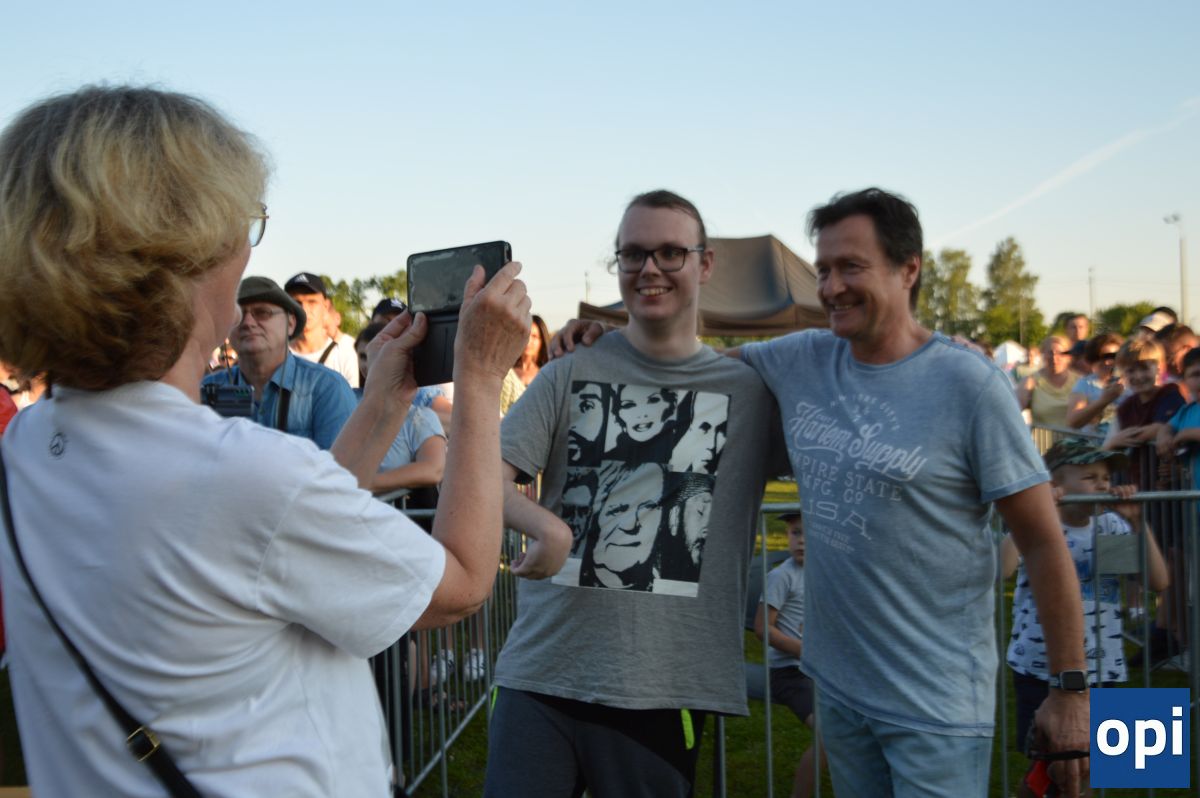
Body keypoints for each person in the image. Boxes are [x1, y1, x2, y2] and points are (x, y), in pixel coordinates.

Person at [0, 85, 531, 797]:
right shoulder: (233, 471)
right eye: (242, 225)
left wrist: (382, 401)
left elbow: (281, 527)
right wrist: (480, 375)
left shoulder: (29, 444)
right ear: (188, 256)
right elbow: (462, 584)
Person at [554, 187, 1091, 796]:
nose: (832, 288)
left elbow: (1043, 542)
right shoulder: (801, 358)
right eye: (824, 270)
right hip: (838, 693)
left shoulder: (969, 385)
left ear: (908, 269)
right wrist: (607, 336)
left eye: (851, 267)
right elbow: (686, 359)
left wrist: (1069, 690)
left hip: (935, 704)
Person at [485, 189, 785, 797]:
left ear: (704, 264)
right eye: (633, 253)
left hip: (664, 689)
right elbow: (478, 476)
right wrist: (543, 524)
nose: (650, 268)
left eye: (671, 252)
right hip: (541, 674)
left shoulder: (752, 392)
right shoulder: (570, 369)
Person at [1001, 438, 1168, 757]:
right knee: (1050, 763)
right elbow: (1003, 569)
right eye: (1090, 477)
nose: (1103, 485)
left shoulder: (1110, 525)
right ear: (1055, 485)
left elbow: (1157, 582)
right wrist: (1037, 512)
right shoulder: (1041, 524)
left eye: (1106, 477)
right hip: (1041, 665)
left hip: (1104, 664)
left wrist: (1136, 521)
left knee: (1102, 761)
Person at [203, 276, 358, 450]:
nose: (247, 322)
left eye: (262, 313)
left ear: (290, 324)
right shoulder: (208, 390)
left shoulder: (327, 389)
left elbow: (341, 464)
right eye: (237, 315)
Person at [753, 512, 826, 798]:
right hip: (790, 673)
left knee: (861, 726)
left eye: (810, 533)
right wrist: (806, 651)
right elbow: (763, 629)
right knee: (829, 736)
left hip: (825, 673)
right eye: (796, 533)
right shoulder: (781, 576)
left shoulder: (826, 573)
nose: (802, 541)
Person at [1104, 337, 1184, 454]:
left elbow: (1160, 427)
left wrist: (1120, 439)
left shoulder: (1170, 394)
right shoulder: (1126, 407)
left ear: (1159, 369)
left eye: (1144, 369)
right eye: (1131, 371)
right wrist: (1113, 442)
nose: (1138, 376)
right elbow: (1107, 446)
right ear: (1123, 374)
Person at [285, 271, 361, 388]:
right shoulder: (275, 353)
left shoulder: (345, 353)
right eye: (296, 302)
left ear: (325, 306)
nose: (304, 309)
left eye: (312, 302)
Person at [1065, 333, 1124, 437]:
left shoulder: (1133, 382)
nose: (1107, 362)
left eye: (1113, 356)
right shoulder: (1085, 384)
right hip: (1094, 443)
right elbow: (1073, 422)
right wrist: (1104, 400)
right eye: (1100, 357)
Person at [1017, 335, 1079, 428]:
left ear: (1069, 356)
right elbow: (1013, 411)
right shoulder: (1030, 381)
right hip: (1042, 436)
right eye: (1050, 353)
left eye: (1060, 353)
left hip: (1076, 437)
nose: (1054, 357)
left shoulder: (1080, 381)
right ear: (1043, 354)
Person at [513, 314, 551, 386]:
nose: (528, 341)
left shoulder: (548, 374)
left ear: (541, 341)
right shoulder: (508, 372)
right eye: (526, 335)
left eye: (534, 336)